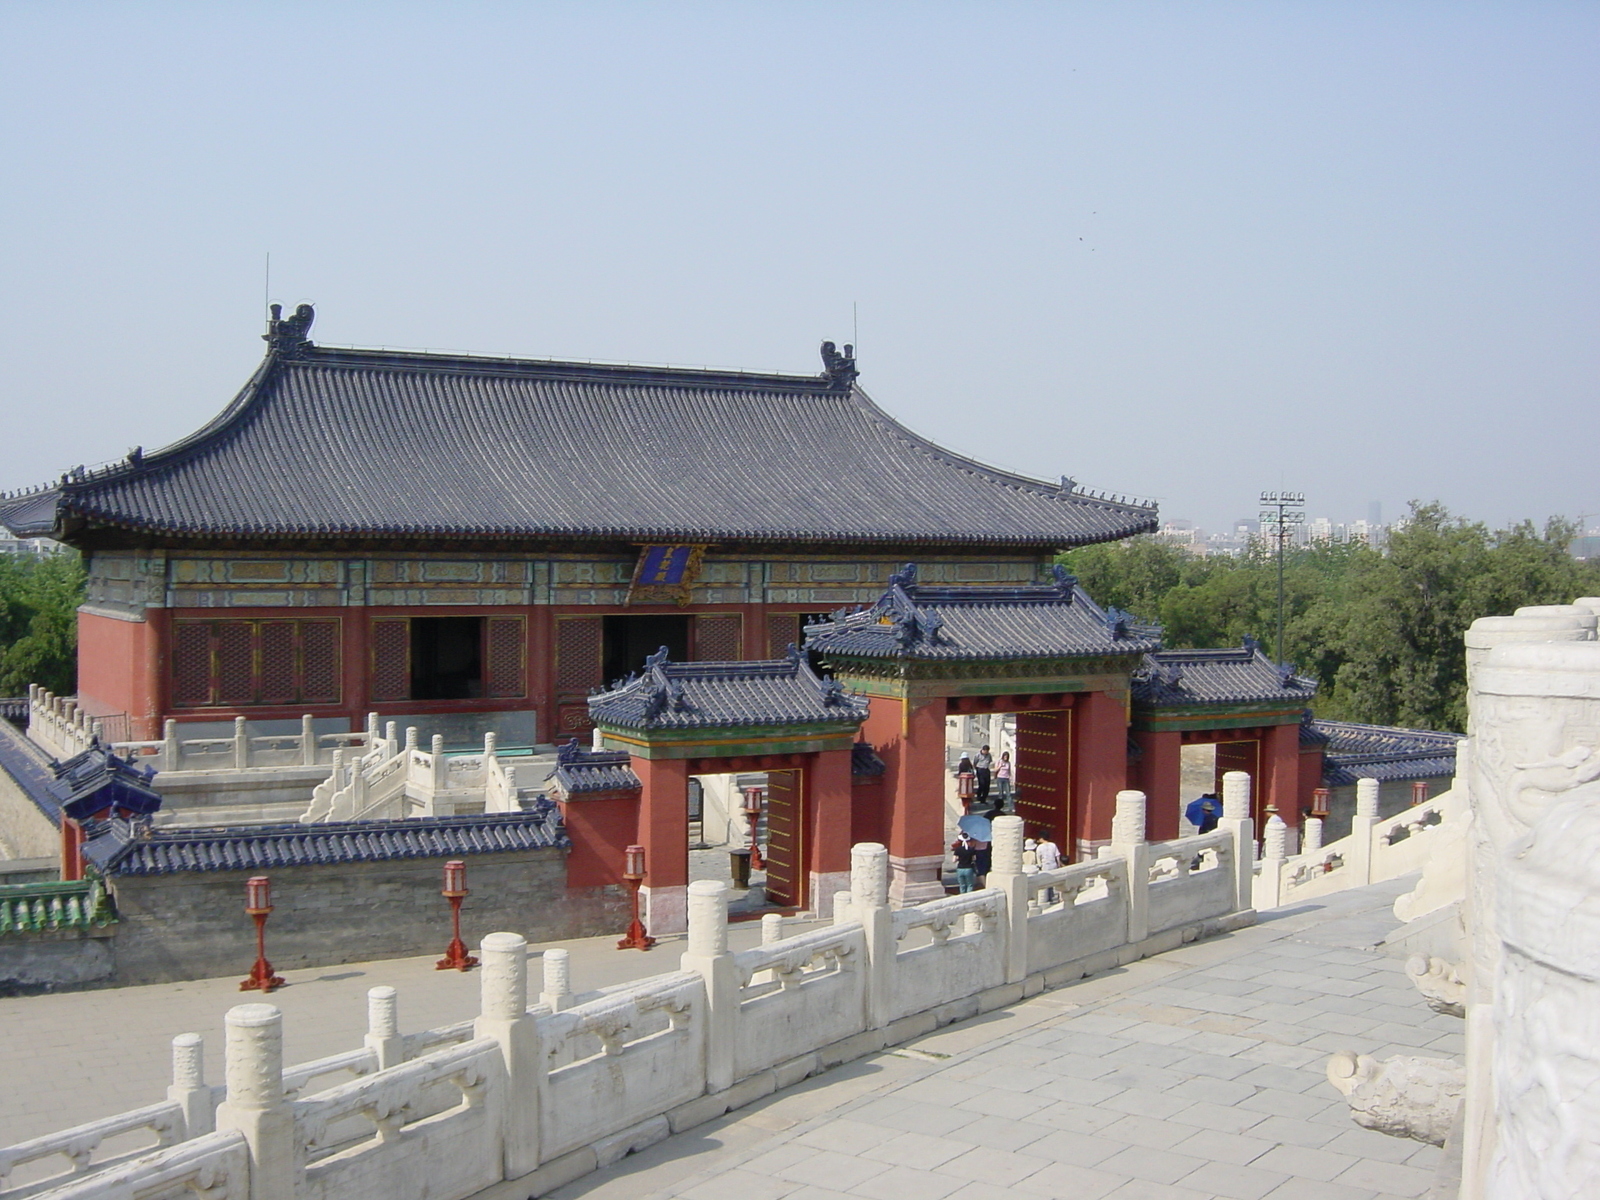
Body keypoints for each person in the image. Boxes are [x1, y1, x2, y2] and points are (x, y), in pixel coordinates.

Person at [1034, 829, 1062, 903]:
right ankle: (1054, 897)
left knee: (1046, 882)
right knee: (1054, 881)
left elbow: (1038, 858)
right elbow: (1057, 856)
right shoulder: (1053, 845)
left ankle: (1046, 899)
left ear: (1041, 838)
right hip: (1053, 865)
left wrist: (1039, 866)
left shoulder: (1039, 847)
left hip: (1045, 866)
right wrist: (1058, 865)